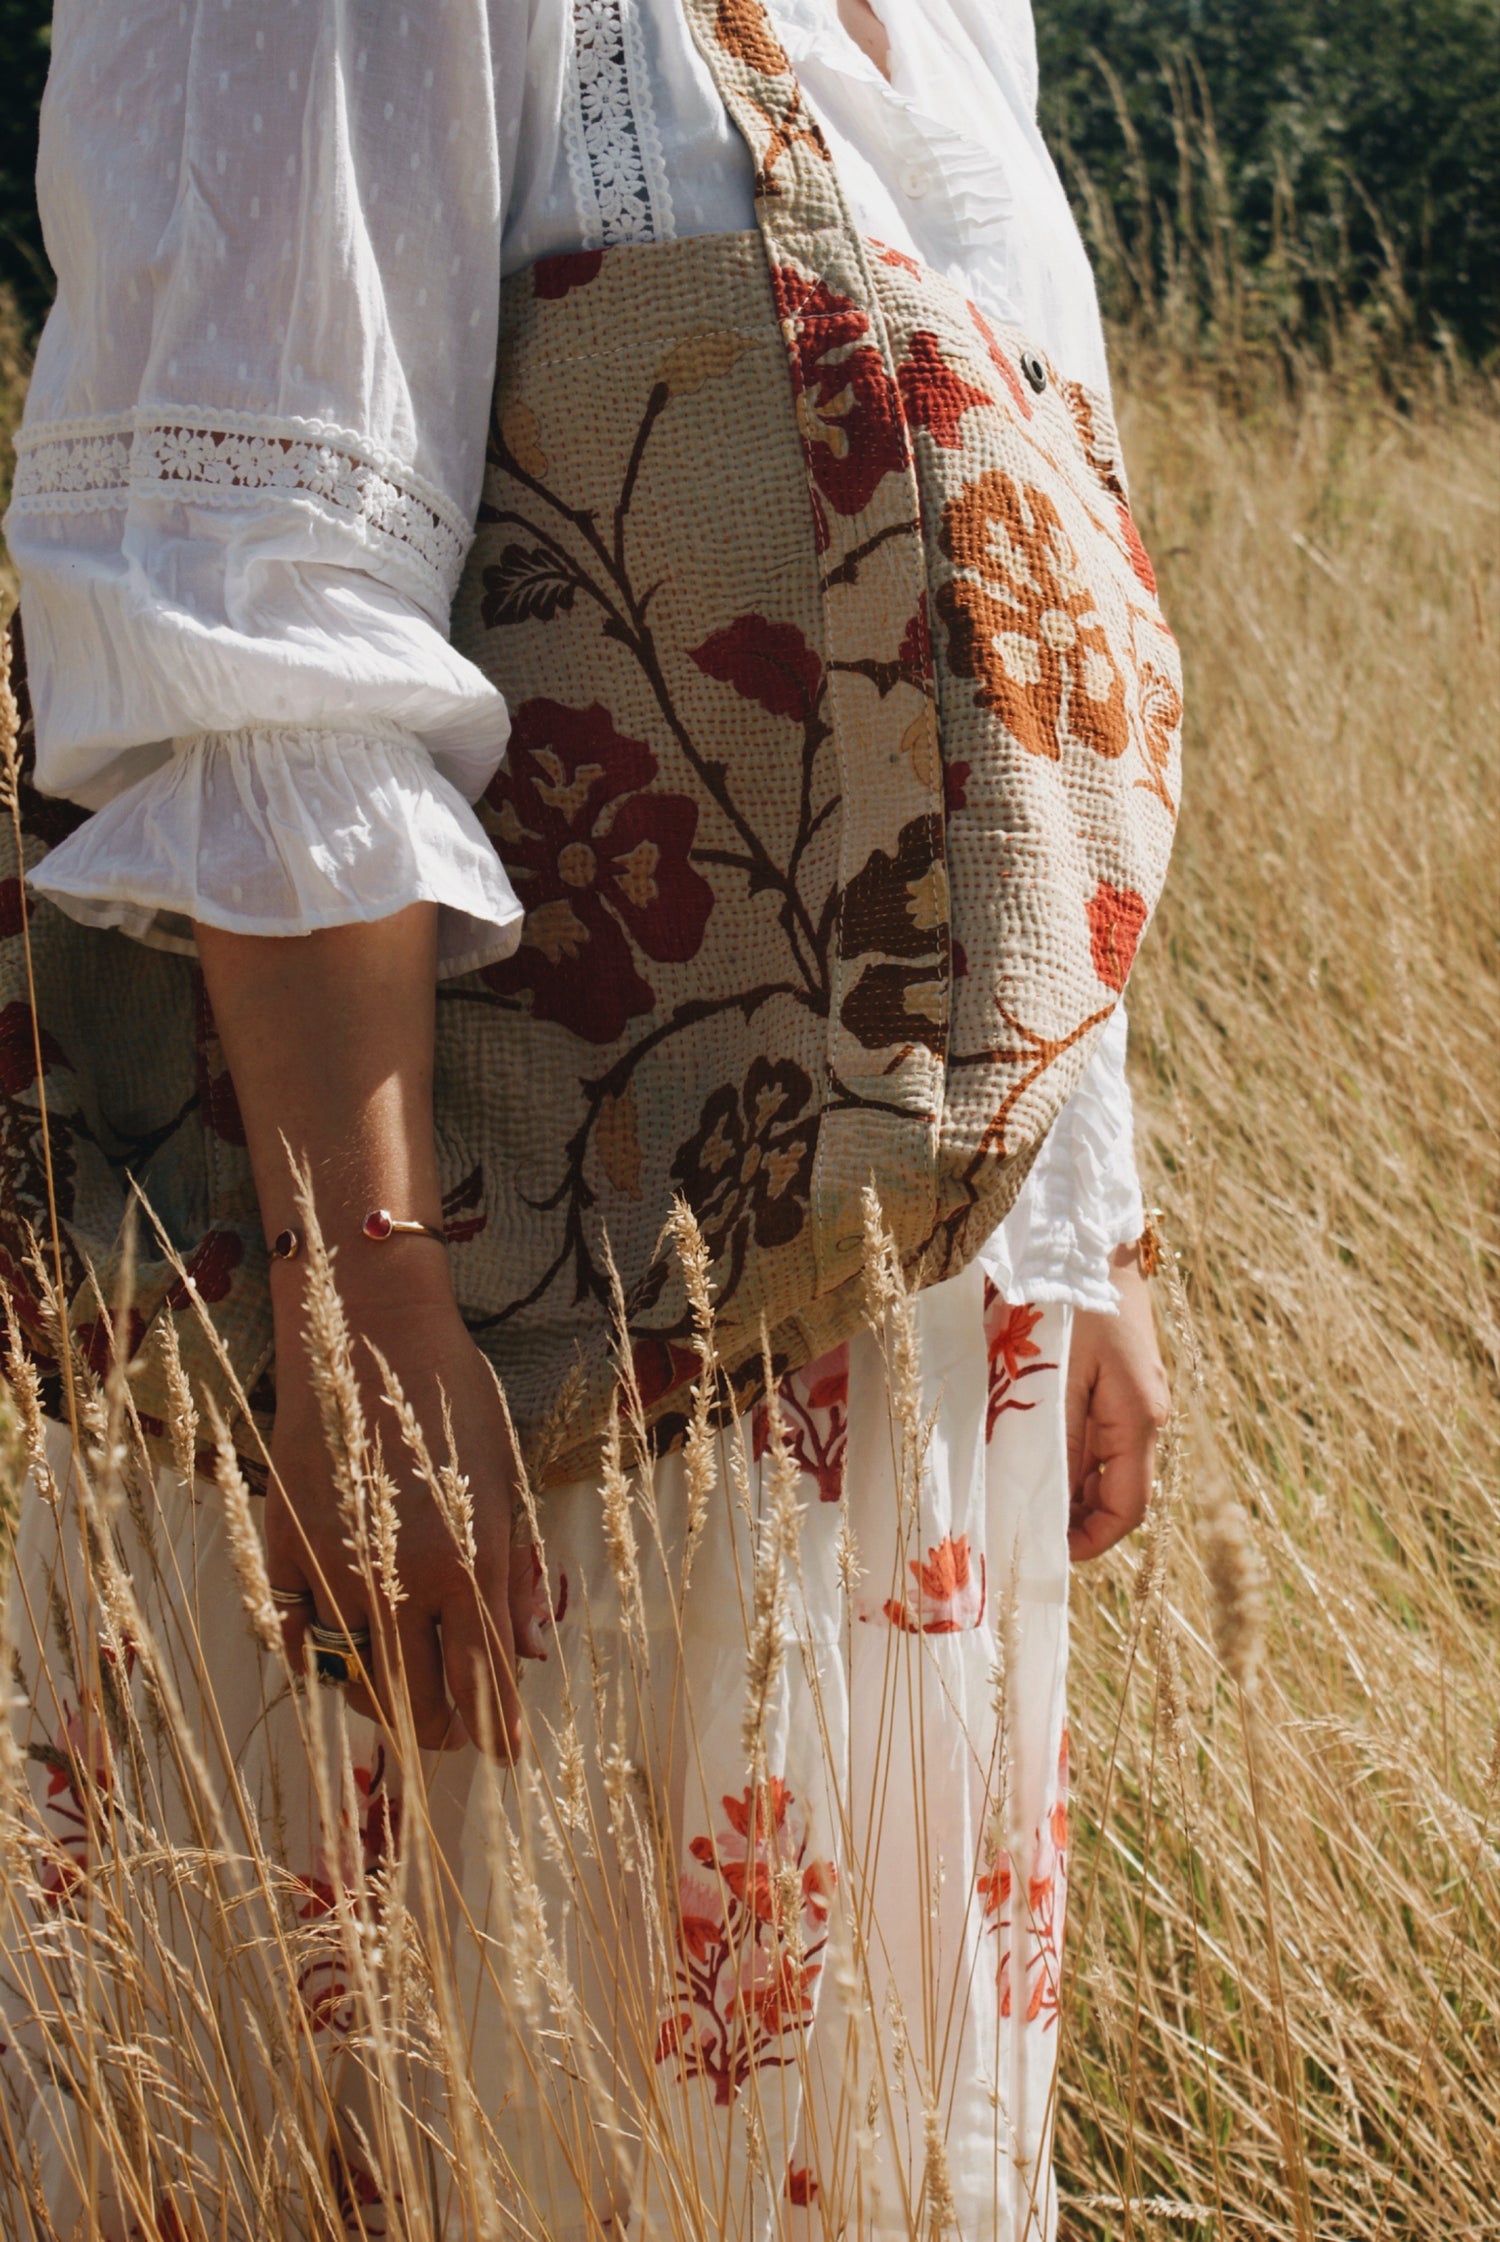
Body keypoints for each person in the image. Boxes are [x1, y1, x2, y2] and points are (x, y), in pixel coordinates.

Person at [1, 2, 1172, 2233]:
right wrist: (364, 1305)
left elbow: (1006, 608)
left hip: (897, 1364)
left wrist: (1078, 1218)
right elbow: (262, 617)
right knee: (458, 2119)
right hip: (500, 1351)